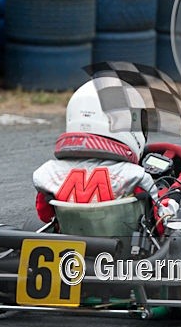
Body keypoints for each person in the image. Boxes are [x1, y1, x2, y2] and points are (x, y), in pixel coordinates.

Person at [32, 80, 157, 224]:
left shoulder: (48, 172)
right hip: (124, 241)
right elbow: (162, 219)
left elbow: (45, 216)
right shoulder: (134, 175)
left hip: (70, 236)